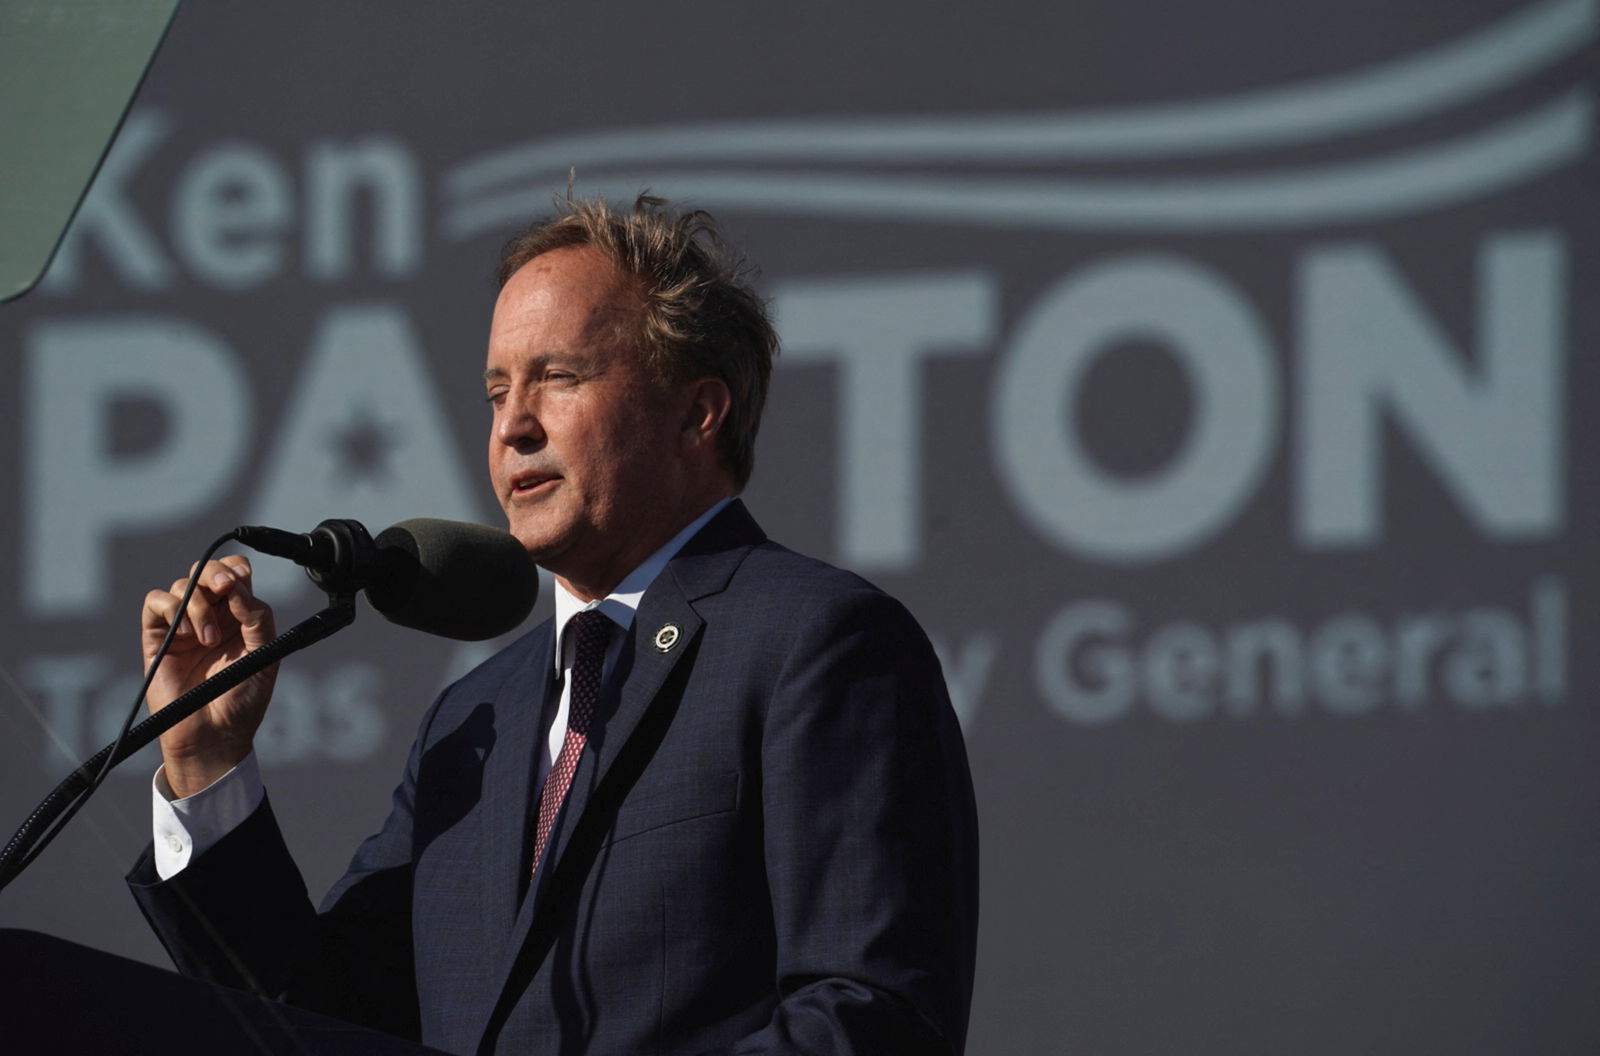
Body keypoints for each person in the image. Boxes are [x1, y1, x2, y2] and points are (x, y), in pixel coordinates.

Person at [127, 195, 980, 1055]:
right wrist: (209, 767)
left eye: (559, 377)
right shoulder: (475, 718)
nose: (512, 426)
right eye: (498, 391)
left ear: (698, 413)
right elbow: (315, 1020)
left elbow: (868, 1016)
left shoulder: (816, 642)